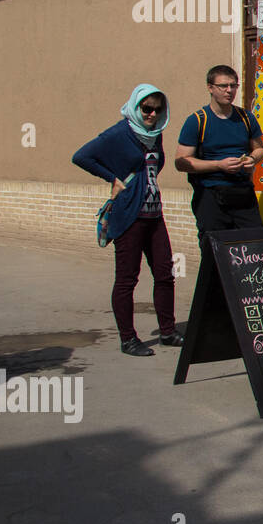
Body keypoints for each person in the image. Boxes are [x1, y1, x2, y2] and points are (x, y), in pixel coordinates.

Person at [73, 85, 180, 357]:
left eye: (157, 109)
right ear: (136, 107)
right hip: (130, 216)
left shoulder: (155, 135)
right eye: (147, 108)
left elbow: (154, 168)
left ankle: (167, 331)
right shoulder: (119, 133)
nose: (152, 114)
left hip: (155, 215)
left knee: (165, 274)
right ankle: (128, 339)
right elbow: (82, 156)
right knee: (127, 279)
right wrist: (112, 178)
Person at [174, 65, 263, 247]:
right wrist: (218, 165)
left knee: (256, 246)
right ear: (210, 87)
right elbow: (181, 162)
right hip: (210, 195)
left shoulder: (246, 117)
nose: (229, 91)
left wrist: (252, 159)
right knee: (214, 251)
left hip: (243, 193)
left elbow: (259, 149)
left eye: (233, 86)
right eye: (223, 86)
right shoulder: (197, 120)